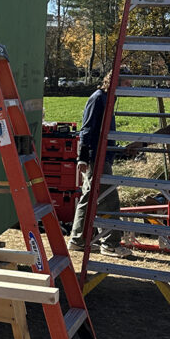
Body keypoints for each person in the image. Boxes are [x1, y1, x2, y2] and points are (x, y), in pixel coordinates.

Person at [68, 74, 129, 257]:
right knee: (110, 200)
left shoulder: (107, 98)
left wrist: (117, 150)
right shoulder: (98, 98)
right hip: (97, 157)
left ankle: (78, 239)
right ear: (115, 81)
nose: (130, 85)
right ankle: (110, 244)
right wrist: (83, 157)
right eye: (127, 82)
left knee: (89, 197)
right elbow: (87, 129)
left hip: (102, 156)